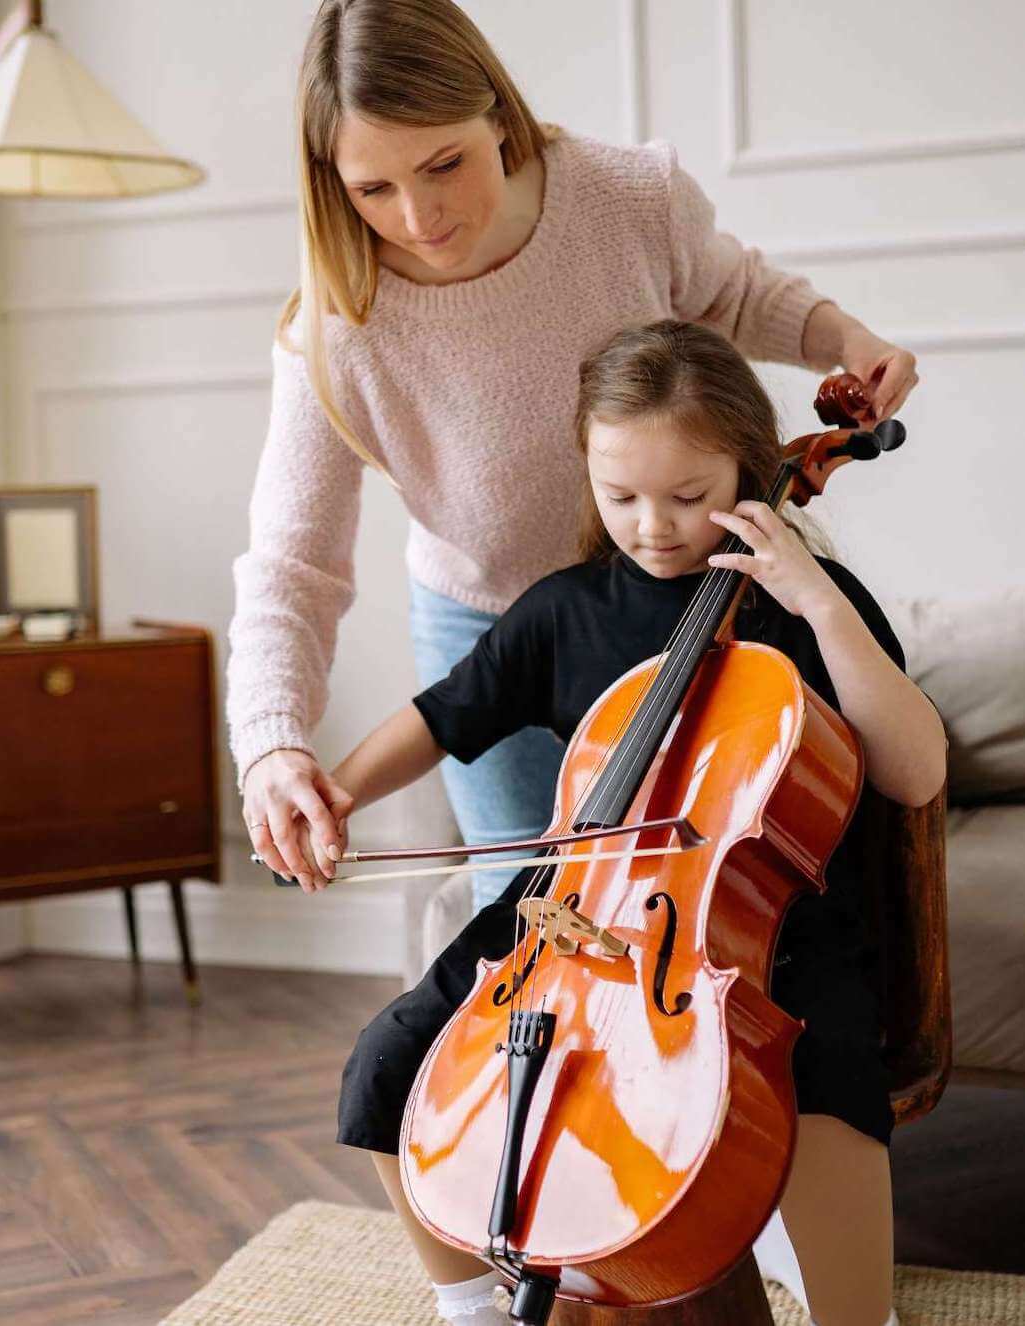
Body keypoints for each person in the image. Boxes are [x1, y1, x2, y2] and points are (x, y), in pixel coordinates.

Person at [314, 320, 947, 1325]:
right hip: (574, 909)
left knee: (819, 1070)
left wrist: (818, 603)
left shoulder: (799, 607)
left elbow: (914, 773)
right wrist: (333, 792)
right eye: (619, 498)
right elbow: (442, 716)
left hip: (756, 927)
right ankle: (474, 1306)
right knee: (391, 1059)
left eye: (687, 498)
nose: (652, 526)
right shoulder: (563, 610)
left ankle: (852, 1314)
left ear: (745, 467)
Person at [229, 0, 919, 913]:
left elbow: (737, 293)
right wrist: (274, 744)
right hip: (491, 621)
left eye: (445, 164)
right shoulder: (337, 328)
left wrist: (845, 336)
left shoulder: (622, 197)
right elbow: (292, 564)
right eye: (372, 190)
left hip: (677, 593)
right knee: (525, 924)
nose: (420, 216)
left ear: (498, 115)